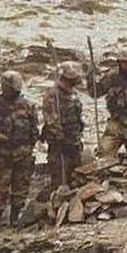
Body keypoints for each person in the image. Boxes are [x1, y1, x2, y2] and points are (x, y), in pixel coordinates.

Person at [0, 71, 39, 226]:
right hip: (2, 154)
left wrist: (30, 146)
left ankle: (15, 218)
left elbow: (34, 128)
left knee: (21, 187)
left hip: (23, 153)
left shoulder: (28, 105)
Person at [42, 61, 85, 197]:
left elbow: (78, 116)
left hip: (74, 139)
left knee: (76, 174)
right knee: (59, 176)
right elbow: (51, 119)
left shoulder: (74, 94)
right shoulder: (52, 95)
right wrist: (60, 136)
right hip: (59, 141)